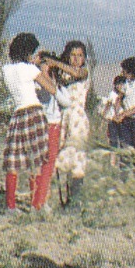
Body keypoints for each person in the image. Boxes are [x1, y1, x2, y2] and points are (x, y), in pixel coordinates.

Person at [1, 33, 59, 211]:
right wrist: (42, 68)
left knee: (13, 161)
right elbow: (52, 89)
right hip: (34, 112)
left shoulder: (6, 70)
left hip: (17, 114)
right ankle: (37, 204)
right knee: (38, 159)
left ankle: (11, 205)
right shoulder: (31, 70)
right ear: (28, 53)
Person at [48, 41, 92, 207]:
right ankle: (66, 199)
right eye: (73, 55)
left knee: (77, 159)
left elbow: (76, 73)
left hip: (78, 118)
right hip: (63, 118)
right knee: (63, 159)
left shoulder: (84, 72)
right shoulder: (63, 74)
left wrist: (56, 63)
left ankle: (76, 201)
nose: (76, 59)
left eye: (80, 55)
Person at [29, 50, 73, 211]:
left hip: (54, 125)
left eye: (46, 64)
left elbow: (67, 102)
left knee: (48, 166)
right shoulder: (35, 82)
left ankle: (41, 200)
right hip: (40, 124)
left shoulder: (57, 83)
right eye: (42, 64)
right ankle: (36, 201)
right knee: (38, 164)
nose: (44, 68)